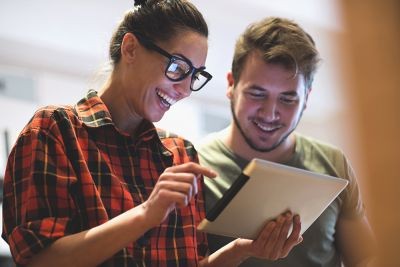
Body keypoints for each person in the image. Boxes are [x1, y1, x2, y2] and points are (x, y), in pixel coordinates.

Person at [1, 2, 301, 266]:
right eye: (177, 67)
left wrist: (241, 250)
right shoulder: (55, 130)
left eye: (194, 75)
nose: (184, 90)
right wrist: (145, 214)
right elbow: (39, 260)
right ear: (130, 48)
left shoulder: (181, 153)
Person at [198, 17, 375, 267]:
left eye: (288, 99)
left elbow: (367, 258)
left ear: (306, 98)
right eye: (257, 94)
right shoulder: (193, 165)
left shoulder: (334, 164)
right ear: (231, 85)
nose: (270, 113)